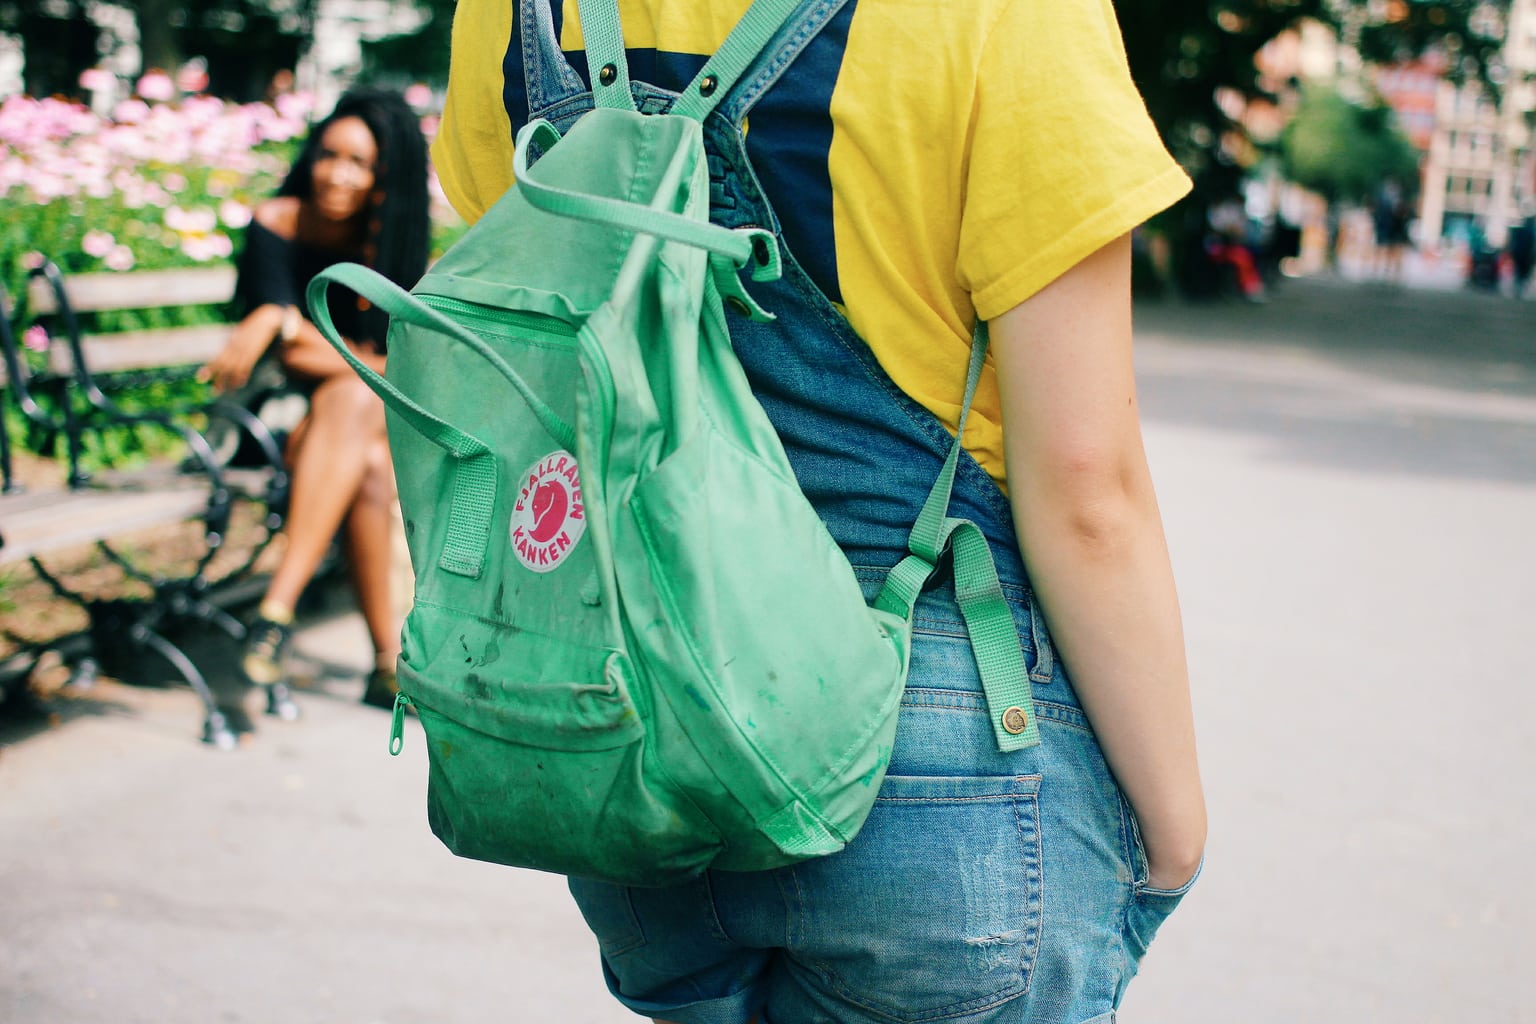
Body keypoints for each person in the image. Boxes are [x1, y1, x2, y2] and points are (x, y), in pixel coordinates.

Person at [433, 1, 1207, 1021]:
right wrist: (1175, 828)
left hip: (651, 730)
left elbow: (542, 337)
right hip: (922, 742)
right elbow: (1087, 489)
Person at [202, 88, 429, 710]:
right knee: (361, 424)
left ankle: (281, 614)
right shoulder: (278, 222)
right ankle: (382, 664)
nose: (337, 174)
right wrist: (291, 336)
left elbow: (396, 360)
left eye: (360, 164)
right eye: (329, 155)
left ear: (386, 178)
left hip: (346, 430)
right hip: (267, 420)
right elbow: (289, 361)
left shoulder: (388, 243)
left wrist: (291, 323)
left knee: (367, 449)